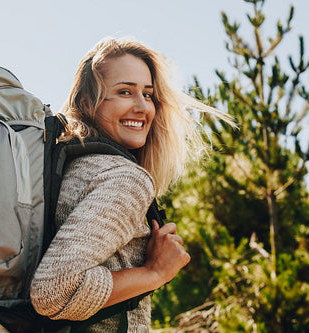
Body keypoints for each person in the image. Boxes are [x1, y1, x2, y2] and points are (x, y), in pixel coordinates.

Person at [30, 37, 231, 332]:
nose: (142, 107)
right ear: (87, 103)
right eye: (125, 92)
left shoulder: (67, 168)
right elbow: (53, 291)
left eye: (148, 95)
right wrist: (154, 272)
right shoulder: (124, 178)